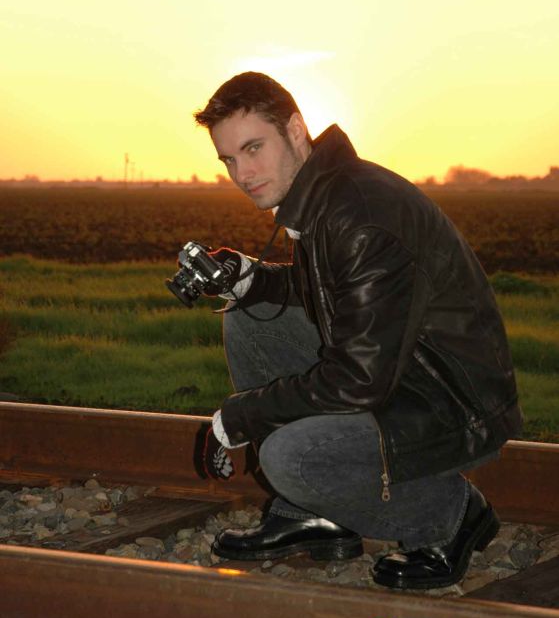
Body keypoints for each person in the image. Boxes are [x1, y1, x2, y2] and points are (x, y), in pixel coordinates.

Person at [192, 71, 522, 590]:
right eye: (229, 159)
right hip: (401, 372)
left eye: (253, 148)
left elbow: (358, 381)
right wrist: (251, 279)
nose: (243, 172)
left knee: (289, 457)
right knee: (249, 315)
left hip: (449, 402)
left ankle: (449, 515)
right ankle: (314, 514)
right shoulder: (327, 193)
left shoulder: (357, 214)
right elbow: (332, 291)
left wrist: (238, 417)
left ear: (295, 130)